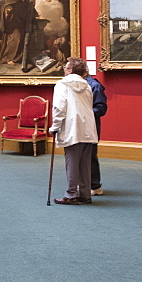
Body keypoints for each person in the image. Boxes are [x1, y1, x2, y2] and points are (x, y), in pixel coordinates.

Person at [49, 57, 98, 205]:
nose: (64, 69)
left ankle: (71, 194)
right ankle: (85, 193)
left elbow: (59, 107)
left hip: (72, 127)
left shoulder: (62, 85)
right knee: (85, 163)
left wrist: (55, 126)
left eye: (65, 67)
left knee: (71, 162)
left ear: (70, 70)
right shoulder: (87, 85)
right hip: (88, 127)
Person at [87, 71, 108, 196]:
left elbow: (101, 108)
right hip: (80, 125)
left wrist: (84, 112)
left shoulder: (94, 85)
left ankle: (95, 185)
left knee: (90, 155)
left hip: (91, 125)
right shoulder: (77, 85)